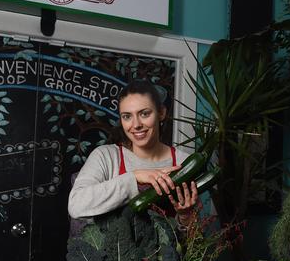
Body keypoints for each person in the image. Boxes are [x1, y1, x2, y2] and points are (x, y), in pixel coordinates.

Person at [68, 79, 198, 227]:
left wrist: (185, 219)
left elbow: (195, 245)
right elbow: (76, 205)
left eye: (144, 114)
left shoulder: (183, 163)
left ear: (161, 113)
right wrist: (134, 178)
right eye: (127, 116)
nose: (136, 125)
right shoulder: (106, 156)